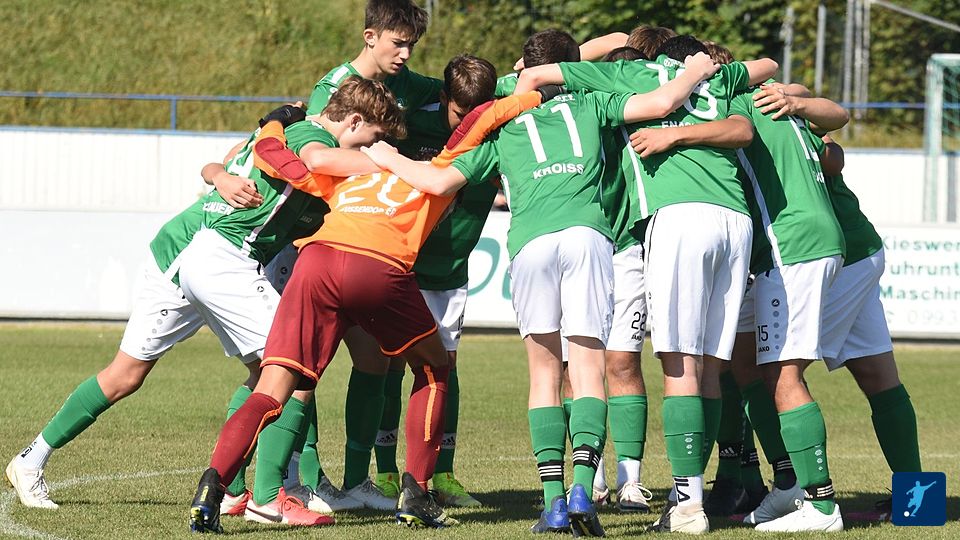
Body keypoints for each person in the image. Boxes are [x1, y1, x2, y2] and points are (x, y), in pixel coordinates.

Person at [5, 79, 401, 527]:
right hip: (192, 255)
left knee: (255, 373)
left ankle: (234, 490)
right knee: (285, 369)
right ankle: (269, 496)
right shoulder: (310, 138)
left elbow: (226, 160)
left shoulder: (284, 127)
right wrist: (393, 164)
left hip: (206, 255)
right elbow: (302, 161)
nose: (371, 147)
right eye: (370, 138)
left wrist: (222, 174)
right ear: (354, 121)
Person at [362, 50, 722, 537]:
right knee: (588, 368)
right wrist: (695, 70)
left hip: (530, 244)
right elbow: (661, 102)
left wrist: (383, 154)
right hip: (587, 238)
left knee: (544, 375)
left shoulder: (504, 126)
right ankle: (582, 490)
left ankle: (553, 503)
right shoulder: (591, 103)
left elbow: (438, 180)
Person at [187, 90, 547, 533]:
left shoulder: (348, 175)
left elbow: (271, 154)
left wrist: (275, 120)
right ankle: (416, 493)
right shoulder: (435, 170)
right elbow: (482, 119)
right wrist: (539, 92)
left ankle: (212, 489)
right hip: (378, 266)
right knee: (434, 368)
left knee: (272, 386)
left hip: (316, 263)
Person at [516, 35, 777, 534]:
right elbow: (766, 66)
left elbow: (538, 73)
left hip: (678, 217)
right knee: (712, 368)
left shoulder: (631, 74)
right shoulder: (717, 79)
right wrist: (703, 69)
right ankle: (696, 492)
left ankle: (687, 506)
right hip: (735, 220)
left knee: (679, 362)